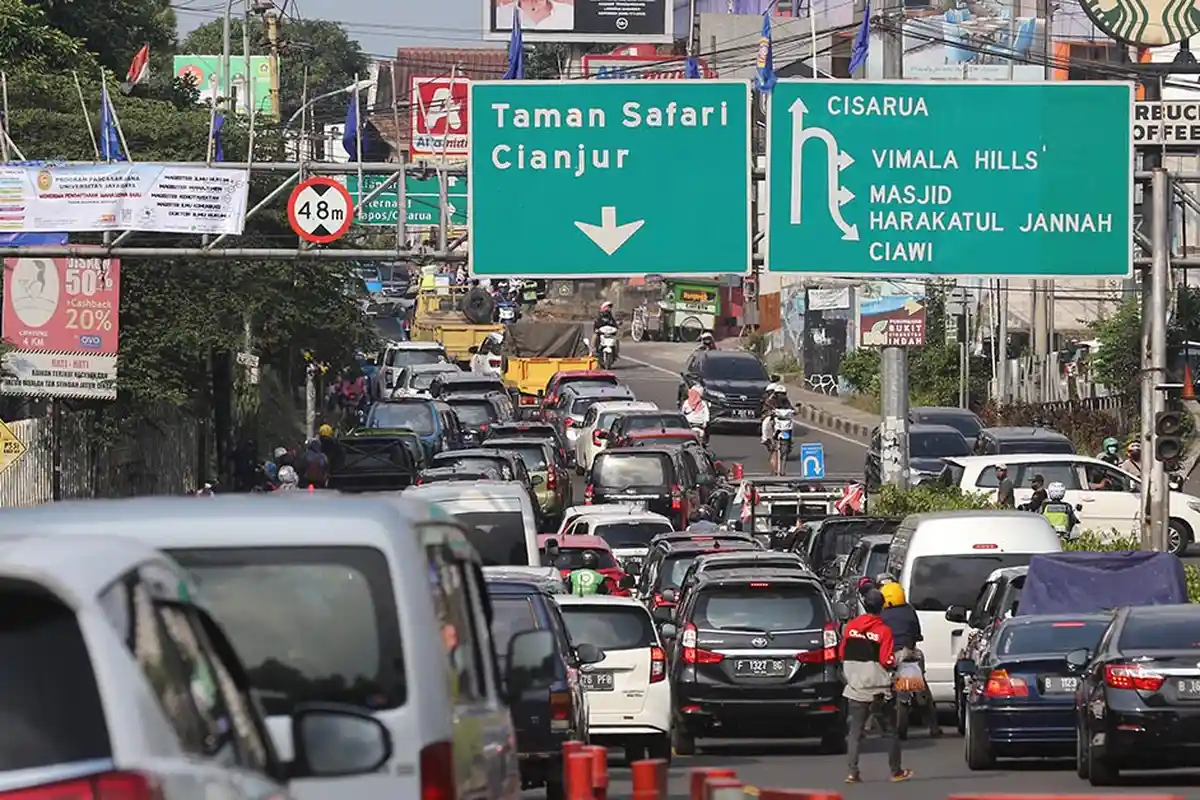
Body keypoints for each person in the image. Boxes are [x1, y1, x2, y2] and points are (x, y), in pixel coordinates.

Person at [841, 588, 912, 783]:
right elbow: (887, 660)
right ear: (882, 607)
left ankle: (852, 773)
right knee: (889, 731)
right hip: (878, 691)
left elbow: (842, 653)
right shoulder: (883, 631)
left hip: (855, 688)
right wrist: (900, 657)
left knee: (855, 733)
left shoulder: (850, 627)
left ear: (864, 605)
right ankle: (896, 772)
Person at [880, 583, 941, 738]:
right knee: (923, 691)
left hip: (889, 658)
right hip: (908, 655)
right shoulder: (909, 611)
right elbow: (917, 633)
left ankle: (882, 725)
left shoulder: (880, 614)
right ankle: (933, 726)